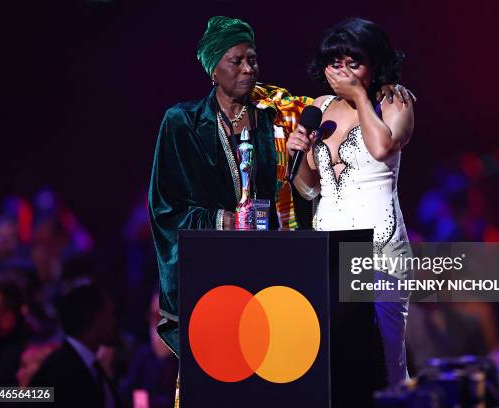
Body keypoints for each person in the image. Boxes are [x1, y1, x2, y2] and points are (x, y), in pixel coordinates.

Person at [148, 15, 413, 356]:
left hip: (281, 264)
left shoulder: (280, 110)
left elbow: (342, 114)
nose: (248, 69)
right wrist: (220, 221)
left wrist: (380, 87)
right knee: (221, 365)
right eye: (236, 61)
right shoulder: (182, 122)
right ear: (214, 69)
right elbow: (165, 207)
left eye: (253, 59)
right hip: (215, 265)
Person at [286, 17, 415, 387]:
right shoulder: (320, 106)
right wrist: (299, 153)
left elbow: (381, 147)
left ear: (374, 64)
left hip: (380, 249)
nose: (341, 72)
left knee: (387, 359)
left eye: (352, 63)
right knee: (333, 360)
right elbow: (311, 188)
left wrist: (360, 96)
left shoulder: (394, 100)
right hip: (328, 248)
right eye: (334, 62)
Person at [29, 282, 122, 408]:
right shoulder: (56, 371)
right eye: (109, 314)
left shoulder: (94, 369)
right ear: (96, 318)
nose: (114, 322)